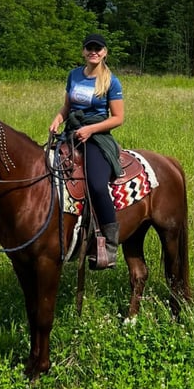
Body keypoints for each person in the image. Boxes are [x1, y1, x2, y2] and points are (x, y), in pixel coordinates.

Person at [49, 33, 124, 269]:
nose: (94, 52)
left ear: (105, 52)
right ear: (83, 52)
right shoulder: (74, 75)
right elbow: (67, 105)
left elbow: (118, 118)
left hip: (97, 136)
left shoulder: (111, 82)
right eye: (89, 48)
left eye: (98, 48)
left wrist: (91, 129)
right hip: (71, 133)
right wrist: (58, 119)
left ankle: (110, 244)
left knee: (97, 184)